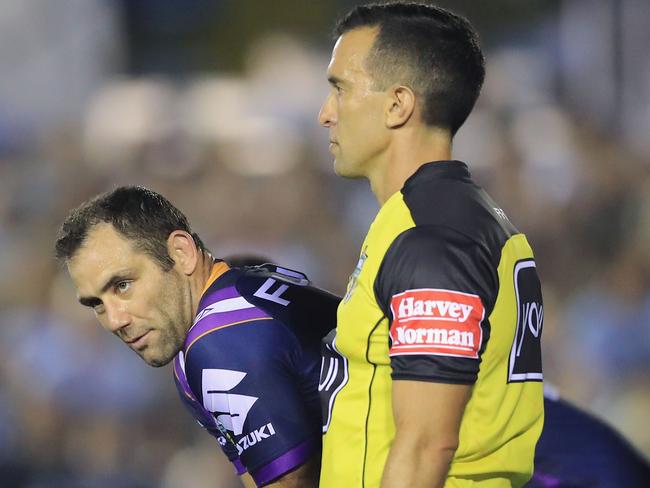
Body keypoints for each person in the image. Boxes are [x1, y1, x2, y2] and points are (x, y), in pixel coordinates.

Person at [317, 3, 543, 487]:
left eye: (340, 89)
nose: (325, 115)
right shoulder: (426, 218)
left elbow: (425, 446)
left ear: (398, 104)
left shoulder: (433, 237)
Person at [54, 186, 338, 488]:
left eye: (122, 285)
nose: (114, 320)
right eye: (96, 303)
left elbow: (293, 483)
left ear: (181, 253)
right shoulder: (200, 344)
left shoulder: (220, 337)